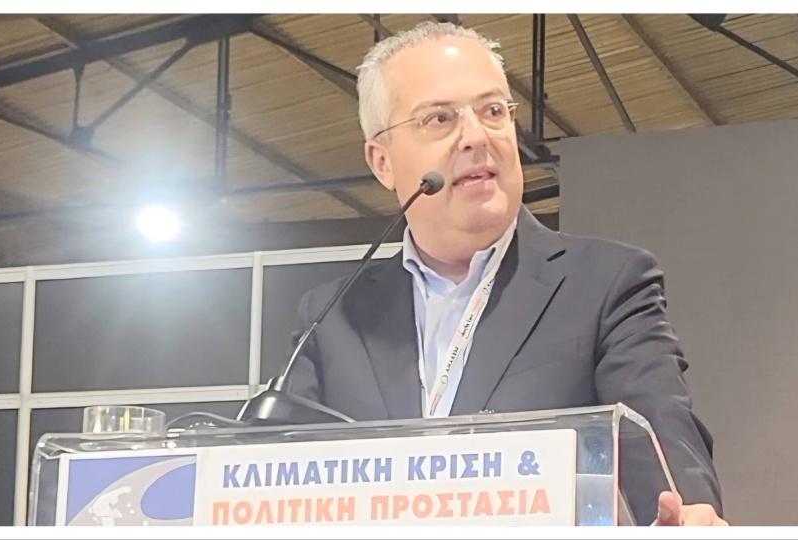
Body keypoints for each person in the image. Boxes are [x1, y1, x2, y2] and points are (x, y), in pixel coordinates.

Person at [285, 21, 727, 526]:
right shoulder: (331, 318)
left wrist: (689, 510)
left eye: (493, 111)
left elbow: (660, 424)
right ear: (382, 162)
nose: (477, 136)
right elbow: (275, 475)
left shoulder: (605, 284)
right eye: (440, 118)